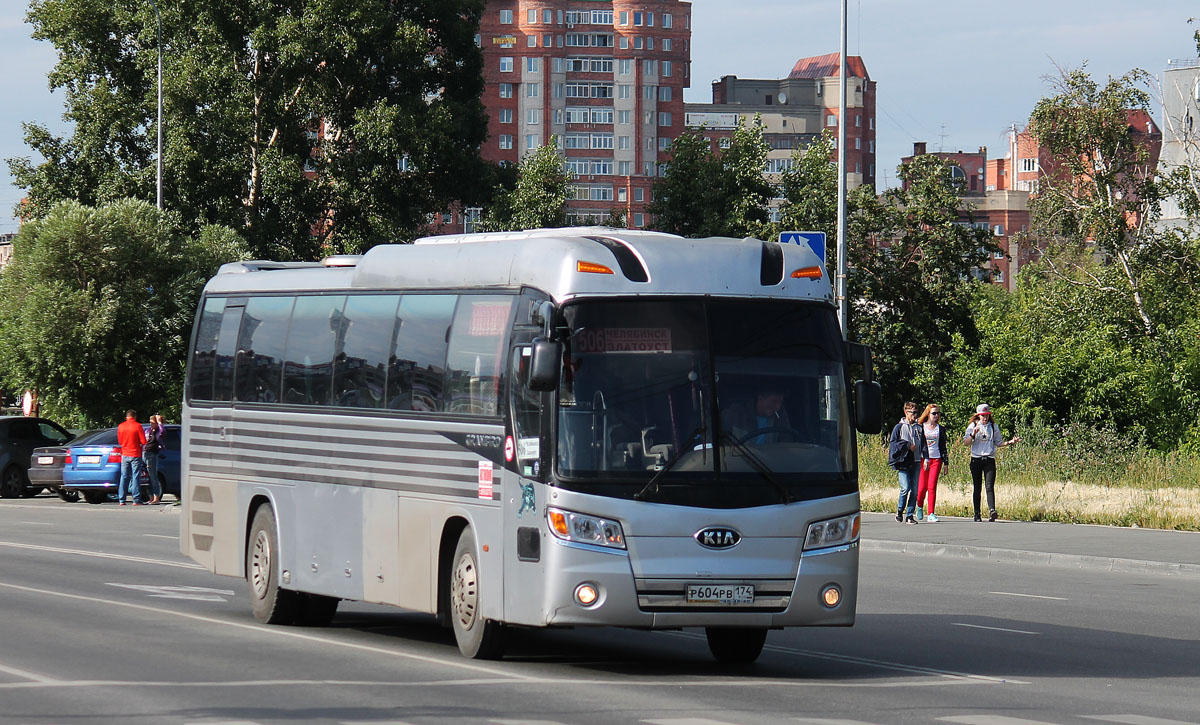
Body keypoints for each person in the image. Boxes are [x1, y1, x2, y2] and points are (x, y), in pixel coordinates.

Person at [963, 403, 1021, 522]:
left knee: (989, 486)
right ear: (978, 416)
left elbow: (998, 443)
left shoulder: (993, 426)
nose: (985, 418)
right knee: (977, 486)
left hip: (989, 459)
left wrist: (1010, 442)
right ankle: (977, 513)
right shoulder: (973, 425)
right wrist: (973, 434)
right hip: (976, 459)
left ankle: (992, 510)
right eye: (983, 416)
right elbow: (966, 442)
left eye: (987, 415)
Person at [723, 385, 792, 445]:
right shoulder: (736, 413)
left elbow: (786, 442)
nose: (778, 406)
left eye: (780, 402)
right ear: (760, 398)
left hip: (770, 459)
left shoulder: (780, 415)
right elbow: (721, 441)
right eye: (774, 401)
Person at [888, 402, 921, 524]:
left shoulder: (919, 428)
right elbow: (893, 444)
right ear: (906, 413)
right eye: (913, 412)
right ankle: (900, 510)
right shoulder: (899, 427)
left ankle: (910, 515)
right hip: (904, 461)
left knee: (914, 490)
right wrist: (907, 446)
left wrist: (926, 458)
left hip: (917, 461)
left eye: (916, 412)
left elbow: (923, 444)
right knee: (905, 488)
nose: (915, 415)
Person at [915, 404, 949, 522]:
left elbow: (943, 447)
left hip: (936, 459)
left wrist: (946, 463)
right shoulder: (921, 427)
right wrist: (924, 458)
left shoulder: (940, 429)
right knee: (921, 488)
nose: (936, 415)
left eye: (938, 413)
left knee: (932, 486)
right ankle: (919, 505)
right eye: (934, 413)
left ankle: (931, 513)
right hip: (923, 460)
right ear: (928, 414)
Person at [116, 409, 149, 506]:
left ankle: (121, 499)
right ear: (134, 416)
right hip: (135, 454)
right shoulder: (138, 426)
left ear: (126, 417)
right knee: (136, 476)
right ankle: (136, 499)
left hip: (125, 453)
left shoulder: (121, 426)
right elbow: (143, 441)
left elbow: (120, 442)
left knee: (124, 476)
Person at [142, 414, 165, 504]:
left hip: (152, 454)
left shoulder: (159, 430)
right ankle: (151, 497)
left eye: (153, 423)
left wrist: (160, 423)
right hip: (145, 452)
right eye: (150, 423)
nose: (151, 424)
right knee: (147, 477)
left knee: (153, 476)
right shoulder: (148, 430)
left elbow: (162, 432)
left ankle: (156, 497)